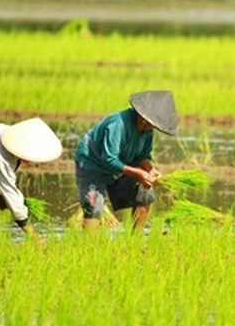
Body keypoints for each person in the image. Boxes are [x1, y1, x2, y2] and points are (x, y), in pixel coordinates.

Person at [74, 90, 178, 231]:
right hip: (93, 163)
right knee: (93, 205)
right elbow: (109, 159)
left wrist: (149, 170)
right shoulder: (118, 124)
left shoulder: (147, 130)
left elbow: (142, 155)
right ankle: (91, 248)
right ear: (143, 117)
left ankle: (134, 241)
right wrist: (138, 173)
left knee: (145, 191)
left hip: (120, 163)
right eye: (152, 124)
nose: (152, 128)